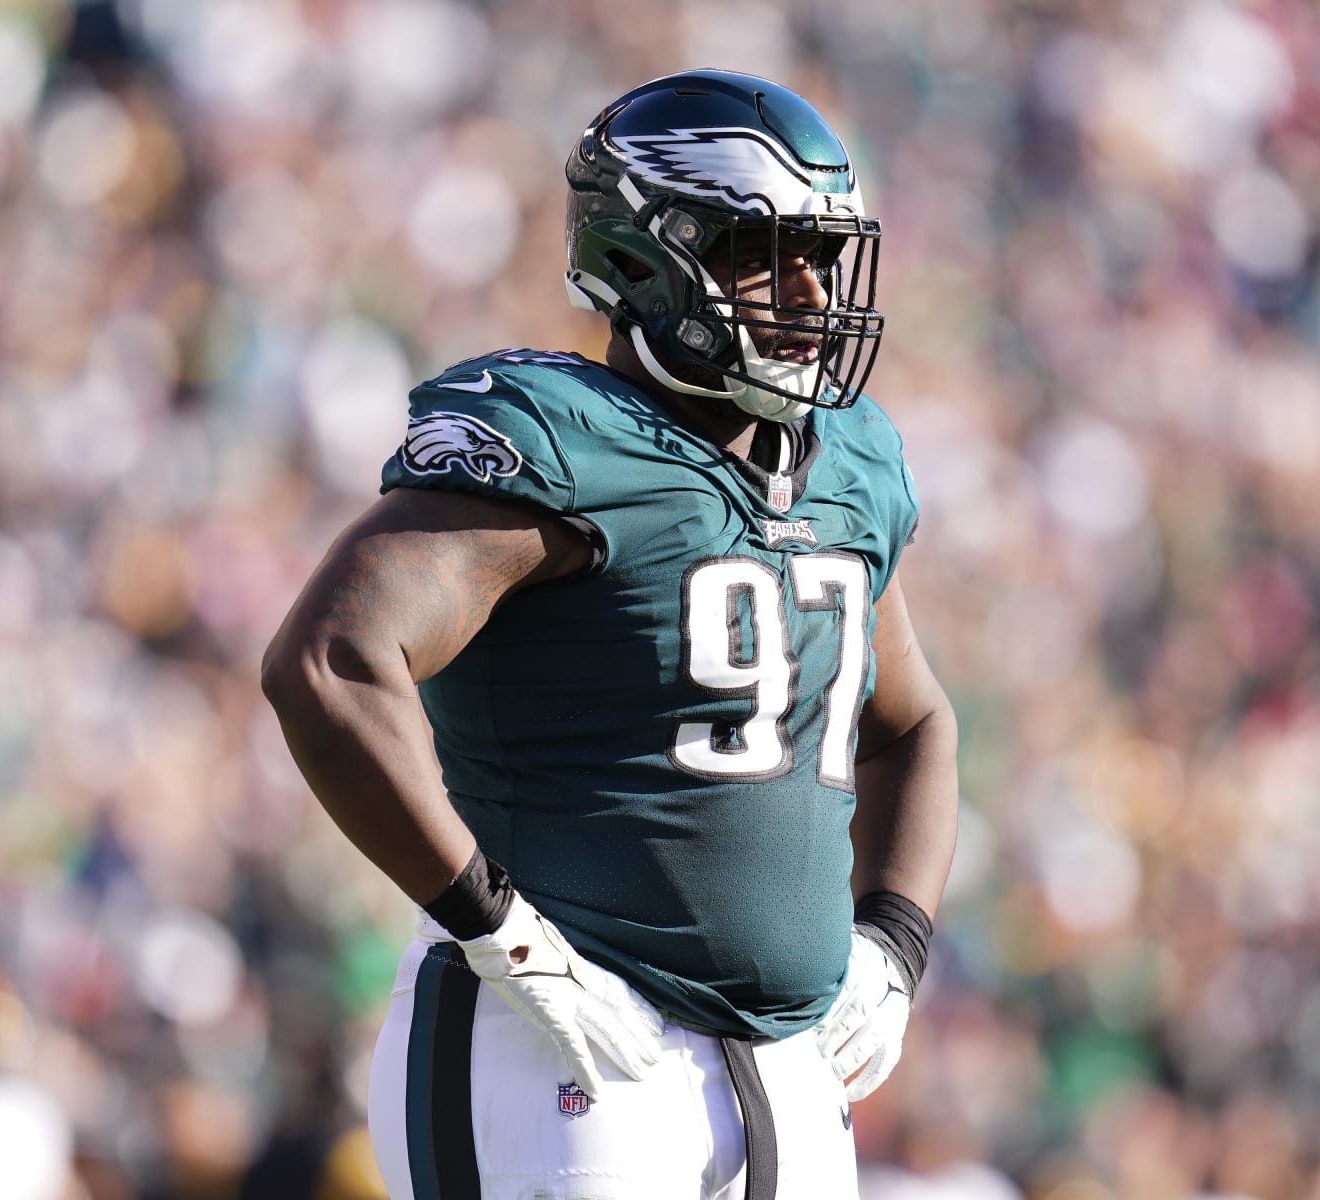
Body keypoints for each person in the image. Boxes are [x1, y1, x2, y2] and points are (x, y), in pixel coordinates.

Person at [261, 68, 959, 1200]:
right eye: (762, 250)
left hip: (784, 1063)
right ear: (649, 257)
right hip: (557, 1040)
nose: (809, 291)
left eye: (821, 255)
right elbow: (332, 664)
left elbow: (913, 720)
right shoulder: (565, 440)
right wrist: (495, 927)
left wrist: (894, 940)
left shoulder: (850, 461)